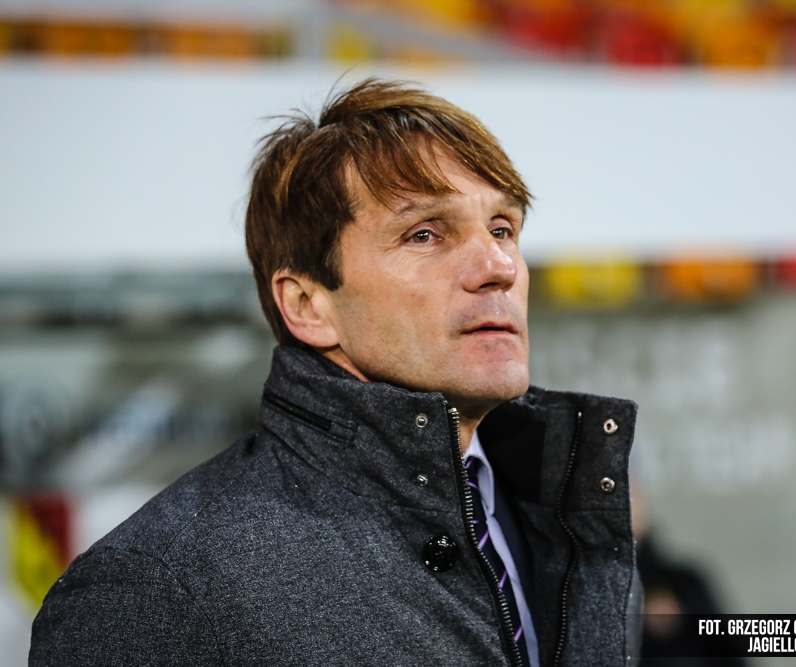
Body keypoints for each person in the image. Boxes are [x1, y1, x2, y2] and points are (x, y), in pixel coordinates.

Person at [30, 78, 641, 666]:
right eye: (424, 234)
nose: (498, 266)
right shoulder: (155, 584)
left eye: (503, 228)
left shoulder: (553, 510)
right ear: (307, 306)